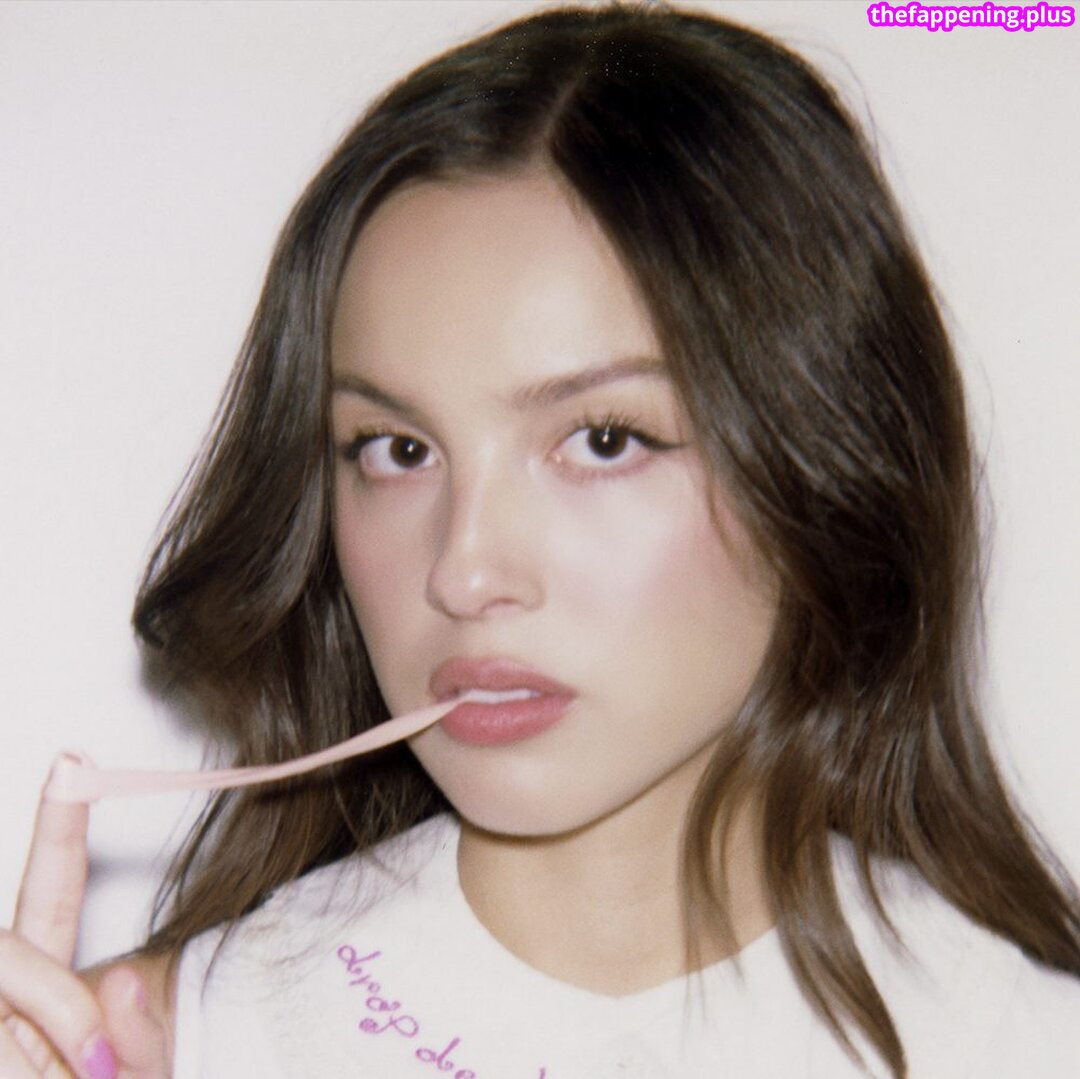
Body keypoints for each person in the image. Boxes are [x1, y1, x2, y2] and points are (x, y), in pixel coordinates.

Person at [1, 3, 1077, 1077]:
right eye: (397, 450)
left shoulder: (1022, 1043)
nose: (463, 570)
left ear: (829, 462)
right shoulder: (175, 1041)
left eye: (603, 440)